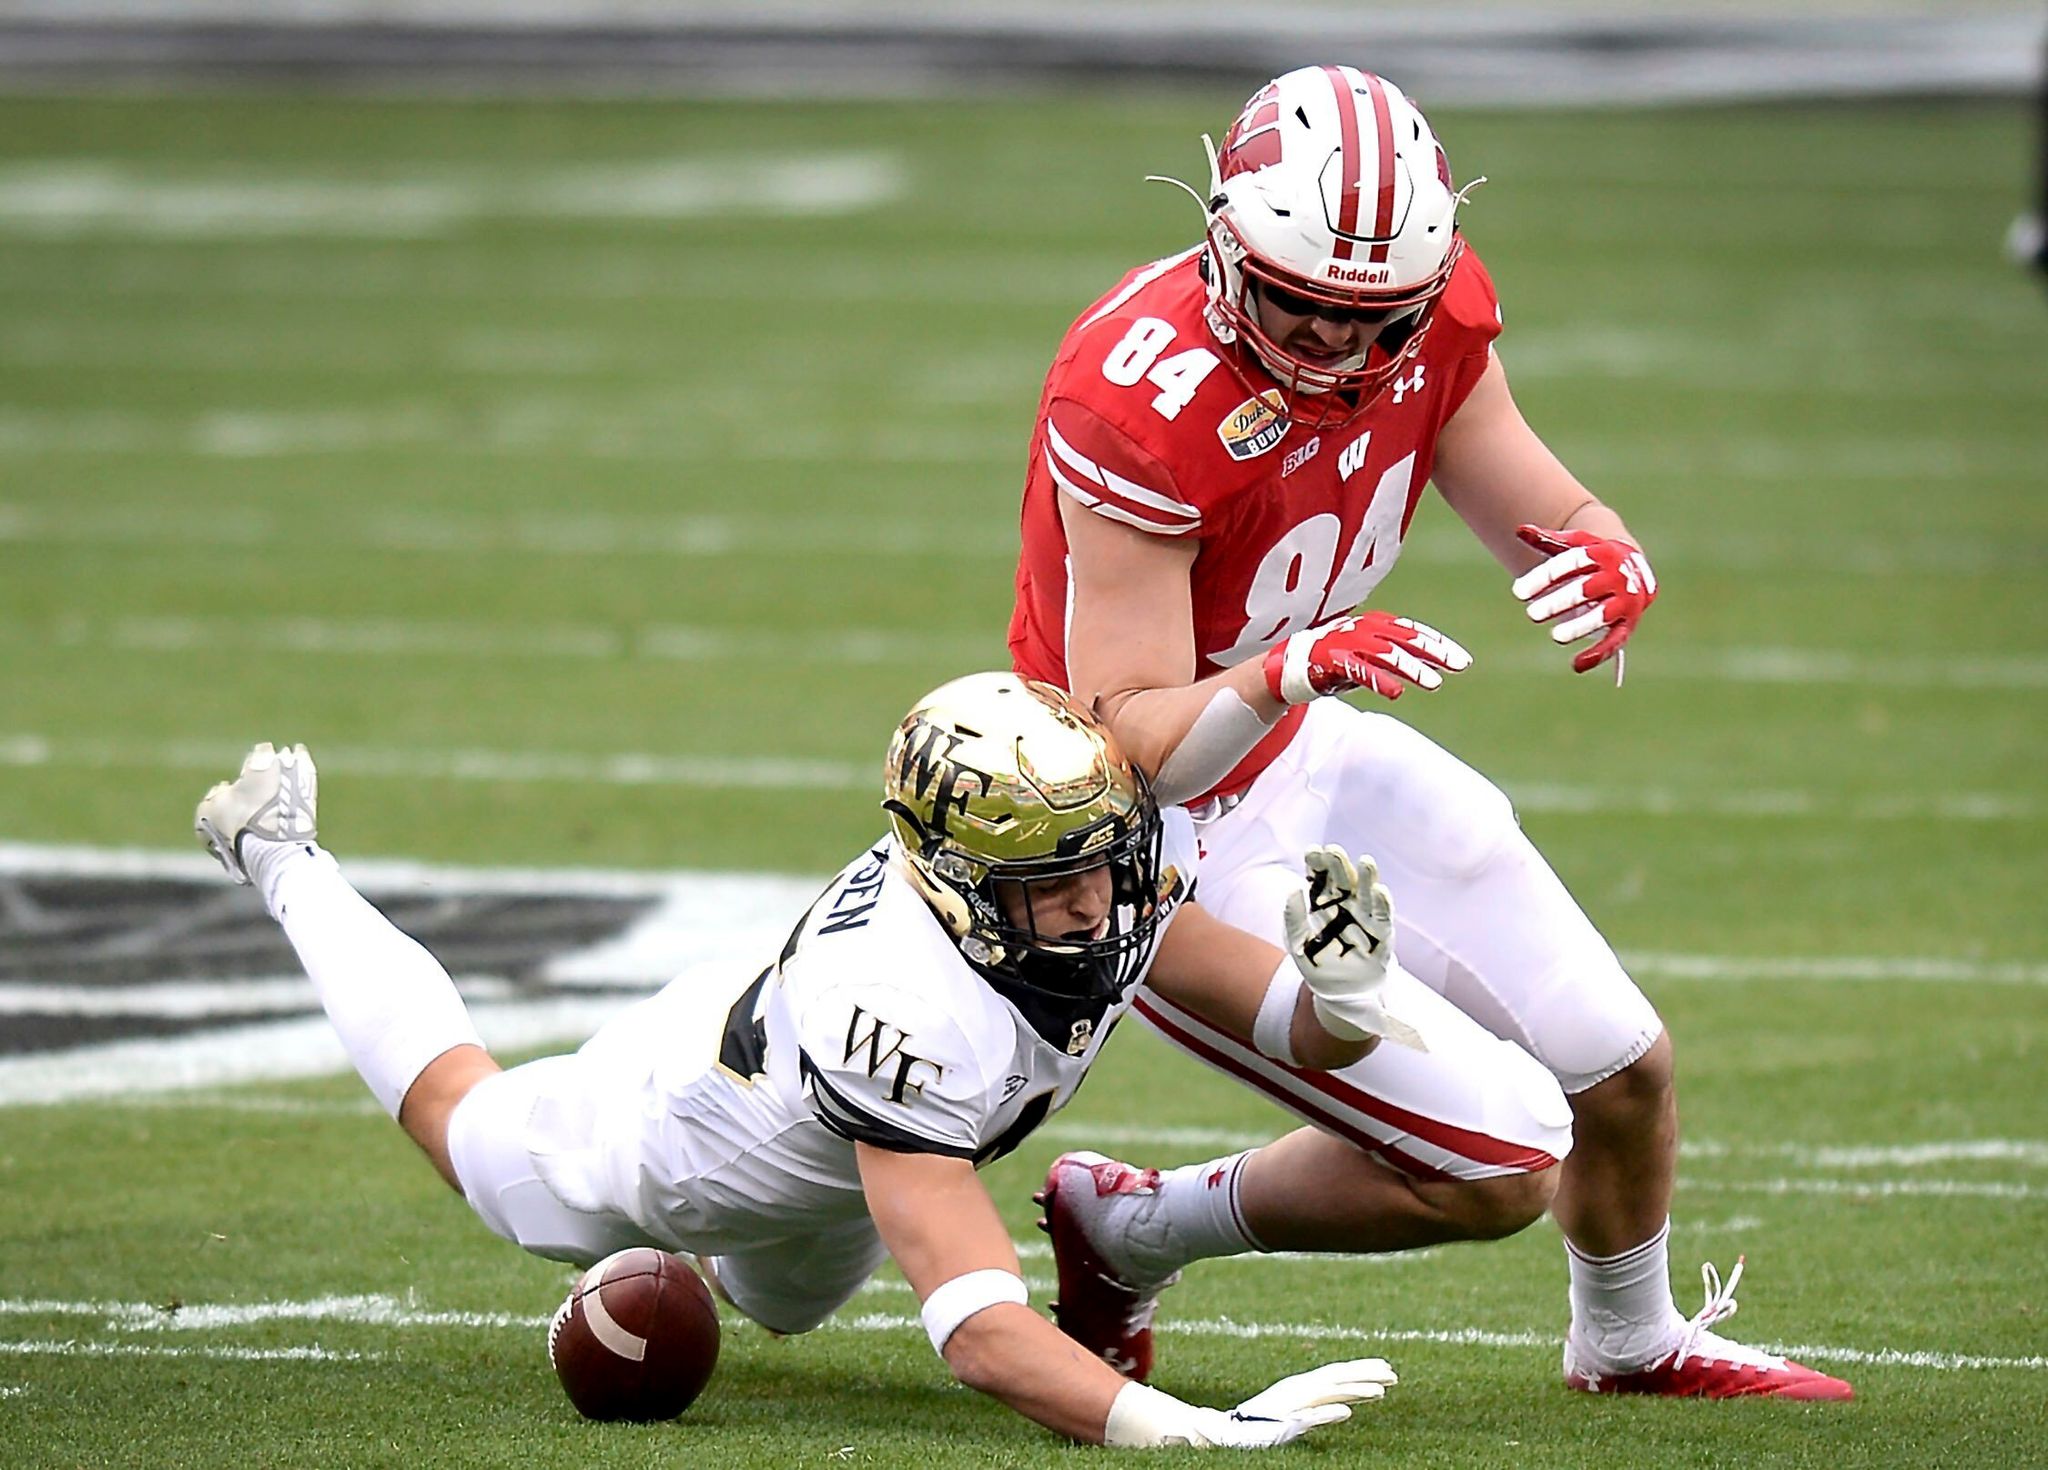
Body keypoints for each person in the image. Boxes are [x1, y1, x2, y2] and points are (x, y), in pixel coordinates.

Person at [1009, 64, 1853, 1400]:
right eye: (1303, 308)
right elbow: (1125, 737)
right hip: (1147, 837)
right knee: (1499, 1167)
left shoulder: (1436, 312)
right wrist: (1289, 666)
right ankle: (1132, 1223)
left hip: (1303, 744)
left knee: (1619, 1066)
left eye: (1375, 317)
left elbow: (1529, 488)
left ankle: (1627, 1344)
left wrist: (1601, 548)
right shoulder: (1137, 395)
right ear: (1230, 244)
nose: (1338, 350)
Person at [190, 673, 1565, 1446]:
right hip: (679, 1129)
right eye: (1053, 881)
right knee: (471, 1132)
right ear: (964, 883)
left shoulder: (1095, 885)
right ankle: (281, 853)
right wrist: (1176, 1428)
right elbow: (978, 1333)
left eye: (1104, 862)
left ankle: (699, 1286)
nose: (1096, 905)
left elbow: (1291, 1031)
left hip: (859, 1151)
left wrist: (1353, 987)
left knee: (780, 1312)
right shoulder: (902, 1009)